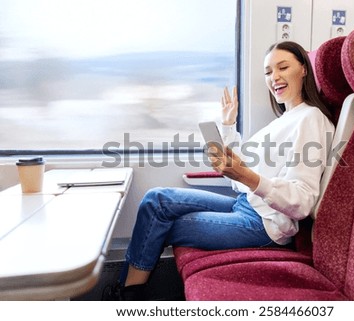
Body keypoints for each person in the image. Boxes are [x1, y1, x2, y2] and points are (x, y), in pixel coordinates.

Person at [105, 41, 335, 300]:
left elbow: (302, 201)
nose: (275, 77)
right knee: (156, 200)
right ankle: (127, 295)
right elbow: (244, 174)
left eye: (283, 67)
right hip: (246, 204)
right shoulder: (282, 121)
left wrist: (245, 175)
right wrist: (228, 125)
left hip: (265, 225)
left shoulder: (311, 119)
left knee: (159, 225)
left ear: (304, 69)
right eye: (268, 72)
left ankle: (125, 298)